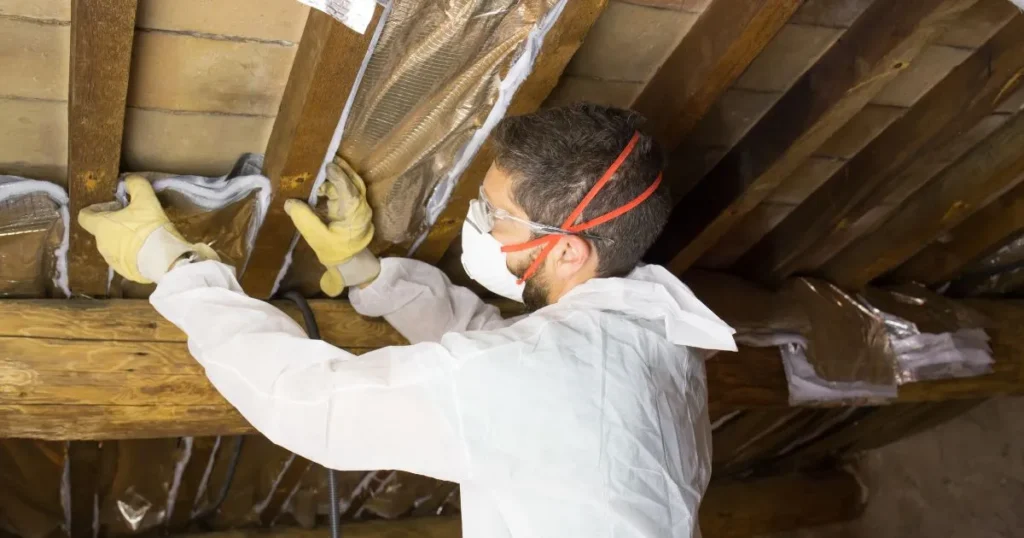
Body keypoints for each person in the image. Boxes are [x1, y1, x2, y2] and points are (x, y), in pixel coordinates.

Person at [78, 104, 736, 537]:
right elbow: (499, 346)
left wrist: (179, 269)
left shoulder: (548, 380)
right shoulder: (655, 337)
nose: (478, 226)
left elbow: (311, 402)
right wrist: (373, 276)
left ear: (566, 249)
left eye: (496, 217)